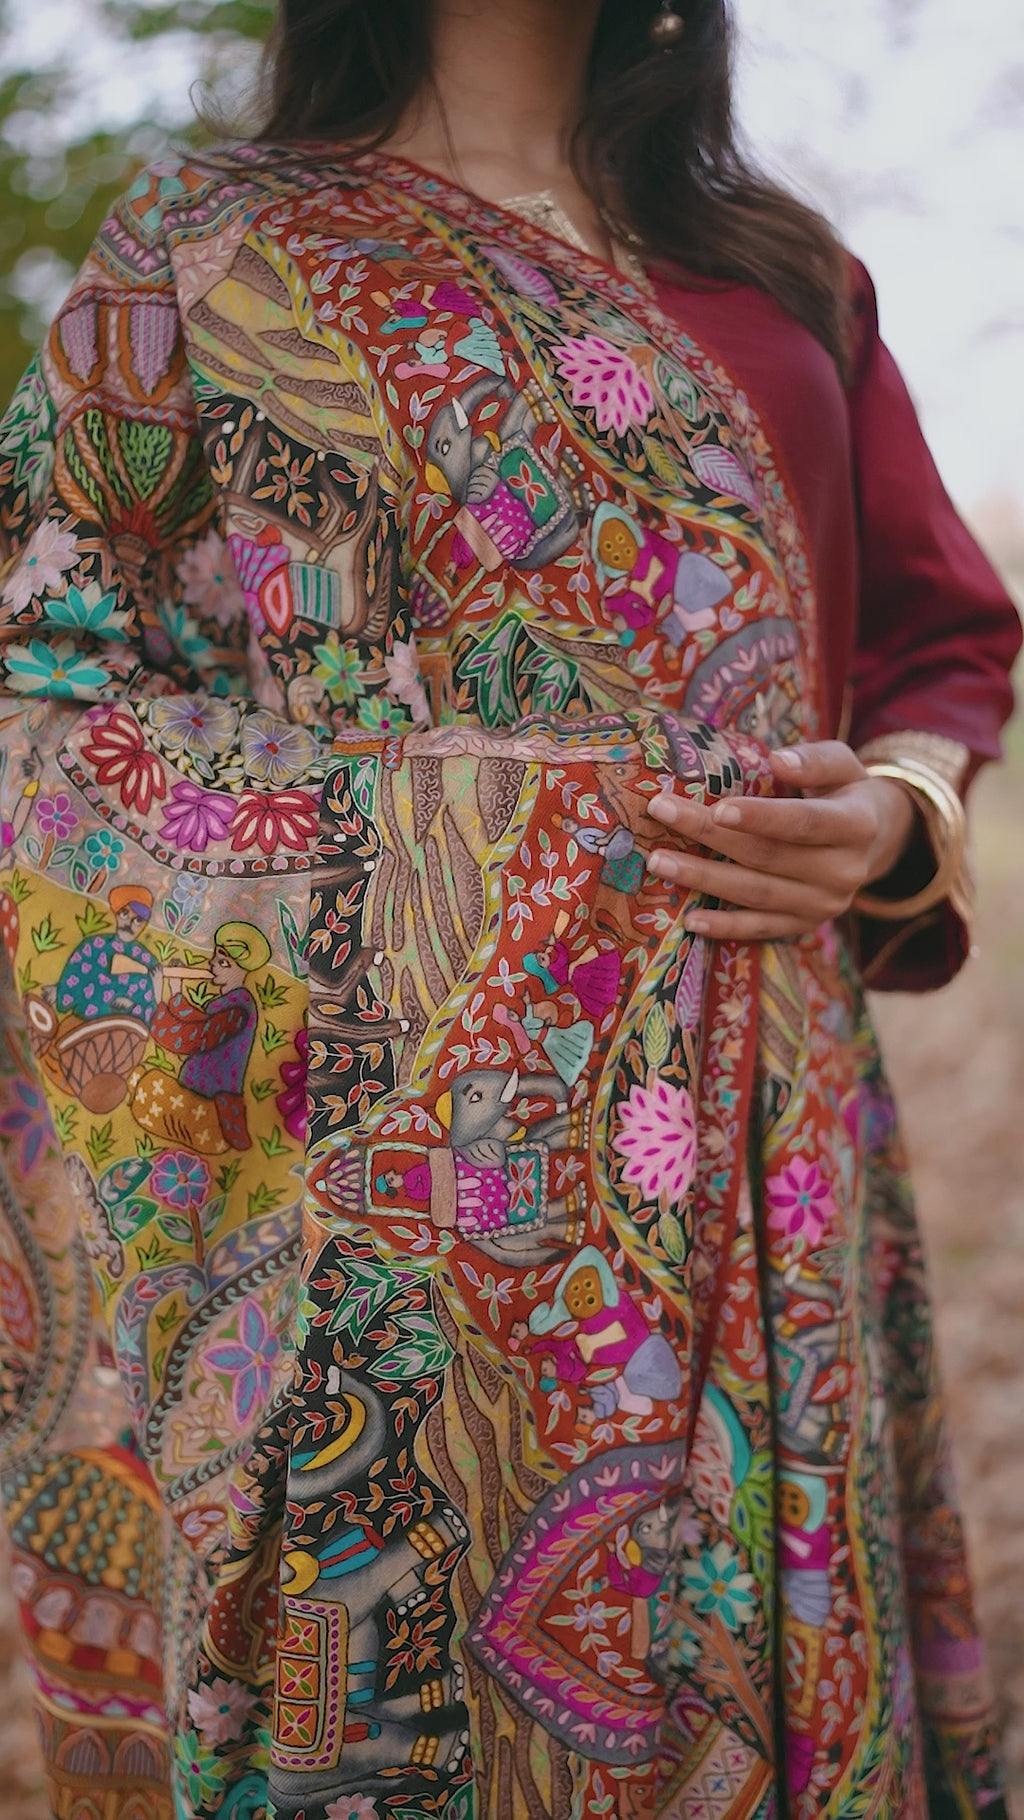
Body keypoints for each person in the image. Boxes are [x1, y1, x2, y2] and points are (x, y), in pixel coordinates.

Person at [0, 3, 1018, 1818]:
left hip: (762, 1134)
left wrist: (892, 812)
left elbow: (941, 646)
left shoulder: (784, 278)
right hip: (385, 1168)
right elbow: (47, 685)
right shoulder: (205, 252)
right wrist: (466, 820)